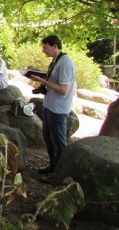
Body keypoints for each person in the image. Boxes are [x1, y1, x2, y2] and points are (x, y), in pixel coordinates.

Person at [30, 35, 76, 175]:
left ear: (55, 46)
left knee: (59, 142)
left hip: (59, 109)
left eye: (45, 47)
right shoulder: (56, 61)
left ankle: (61, 173)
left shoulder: (65, 63)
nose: (43, 51)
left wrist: (42, 81)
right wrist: (37, 72)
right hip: (49, 105)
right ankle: (53, 166)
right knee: (48, 138)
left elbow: (63, 89)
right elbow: (53, 78)